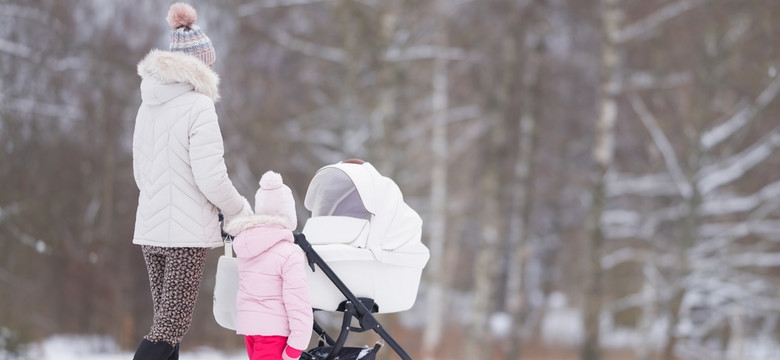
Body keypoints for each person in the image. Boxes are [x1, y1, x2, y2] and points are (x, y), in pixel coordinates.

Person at [131, 3, 252, 359]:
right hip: (184, 235)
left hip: (151, 229)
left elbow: (141, 171)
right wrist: (240, 210)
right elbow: (211, 178)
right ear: (200, 66)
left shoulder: (147, 104)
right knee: (169, 328)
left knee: (165, 327)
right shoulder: (199, 107)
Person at [225, 171, 313, 360]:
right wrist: (298, 343)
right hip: (275, 332)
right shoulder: (290, 253)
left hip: (250, 329)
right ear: (289, 214)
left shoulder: (246, 246)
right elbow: (298, 302)